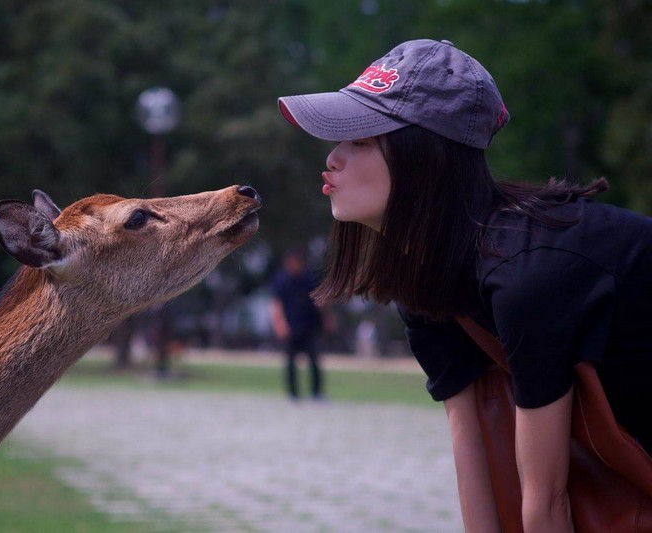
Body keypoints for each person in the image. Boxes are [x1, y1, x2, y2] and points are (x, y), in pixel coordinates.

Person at [277, 38, 652, 532]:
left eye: (361, 140)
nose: (333, 159)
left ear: (424, 160)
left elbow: (546, 501)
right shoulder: (424, 277)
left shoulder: (527, 274)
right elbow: (475, 452)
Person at [269, 247, 326, 401]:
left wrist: (327, 318)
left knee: (314, 359)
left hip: (308, 325)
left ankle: (317, 392)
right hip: (290, 326)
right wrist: (279, 323)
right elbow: (276, 303)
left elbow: (319, 301)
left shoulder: (309, 278)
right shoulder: (281, 279)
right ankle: (293, 393)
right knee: (290, 360)